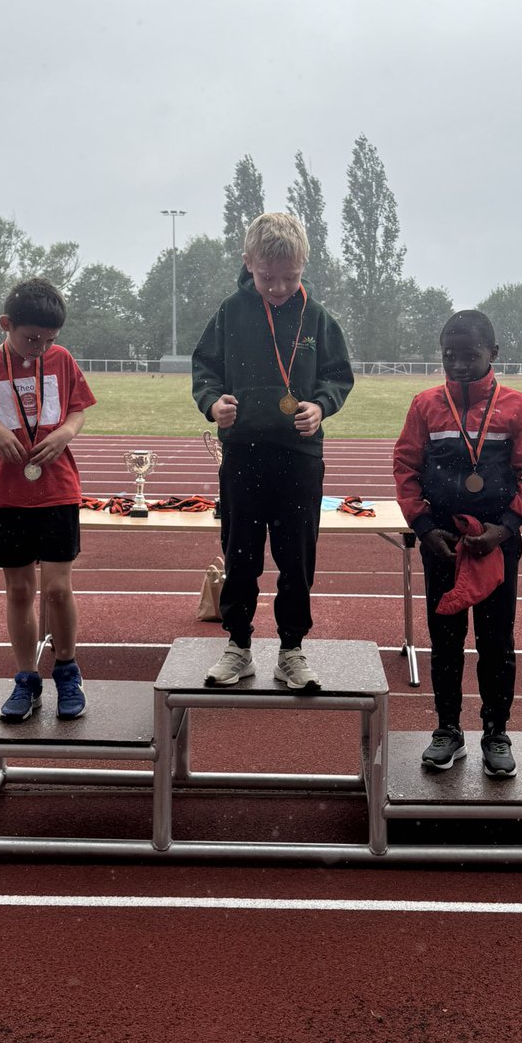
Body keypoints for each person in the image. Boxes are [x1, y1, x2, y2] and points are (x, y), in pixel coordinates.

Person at [192, 212, 354, 691]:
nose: (279, 287)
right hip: (243, 452)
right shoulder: (231, 311)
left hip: (299, 456)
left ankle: (291, 650)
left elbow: (338, 375)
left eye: (290, 277)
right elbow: (205, 368)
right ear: (248, 263)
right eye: (267, 277)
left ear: (304, 266)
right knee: (240, 554)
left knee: (296, 558)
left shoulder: (318, 317)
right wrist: (212, 402)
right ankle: (238, 646)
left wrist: (321, 407)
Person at [393, 310, 522, 776]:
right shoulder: (425, 405)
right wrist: (423, 527)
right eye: (449, 356)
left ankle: (496, 731)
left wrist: (504, 528)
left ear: (493, 354)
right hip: (442, 542)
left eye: (470, 355)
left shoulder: (517, 407)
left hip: (498, 543)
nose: (459, 365)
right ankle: (447, 730)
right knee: (445, 641)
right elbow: (405, 468)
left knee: (497, 641)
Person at [0, 277, 97, 722]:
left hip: (56, 489)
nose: (39, 347)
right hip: (7, 494)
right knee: (18, 590)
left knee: (56, 588)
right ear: (6, 325)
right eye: (31, 338)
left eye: (49, 340)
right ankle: (26, 678)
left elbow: (77, 408)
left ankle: (68, 669)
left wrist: (67, 433)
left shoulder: (61, 359)